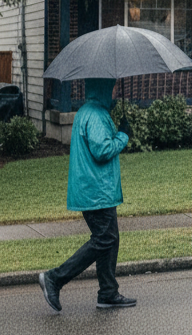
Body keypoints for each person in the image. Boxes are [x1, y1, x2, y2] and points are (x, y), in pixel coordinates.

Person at [39, 78, 135, 312]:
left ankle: (108, 293)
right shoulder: (97, 115)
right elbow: (102, 150)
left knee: (109, 240)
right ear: (102, 88)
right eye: (112, 87)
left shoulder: (88, 111)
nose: (114, 92)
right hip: (96, 191)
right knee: (104, 240)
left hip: (95, 190)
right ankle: (54, 278)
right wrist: (123, 135)